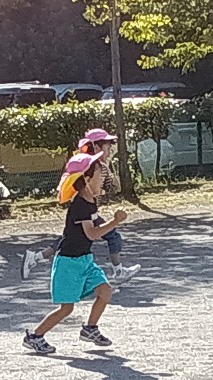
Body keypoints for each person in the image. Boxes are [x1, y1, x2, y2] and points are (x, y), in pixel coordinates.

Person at [23, 151, 128, 354]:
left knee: (105, 291)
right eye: (99, 175)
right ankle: (35, 336)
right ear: (86, 180)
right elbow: (92, 234)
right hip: (68, 264)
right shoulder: (80, 205)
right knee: (67, 308)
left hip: (84, 260)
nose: (103, 179)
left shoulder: (90, 202)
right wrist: (115, 221)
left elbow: (93, 229)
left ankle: (90, 329)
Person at [21, 129, 140, 282]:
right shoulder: (91, 167)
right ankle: (118, 271)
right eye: (107, 146)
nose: (110, 150)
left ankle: (36, 257)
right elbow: (111, 187)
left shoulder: (91, 165)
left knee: (71, 238)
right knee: (109, 236)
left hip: (87, 210)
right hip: (86, 210)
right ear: (96, 146)